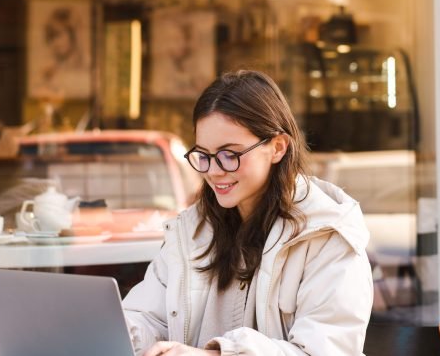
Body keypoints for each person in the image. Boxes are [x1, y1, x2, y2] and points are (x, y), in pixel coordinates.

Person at [123, 70, 373, 355]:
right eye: (203, 156)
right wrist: (120, 333)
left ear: (277, 147)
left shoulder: (327, 236)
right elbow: (147, 318)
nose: (214, 171)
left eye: (230, 155)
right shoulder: (190, 232)